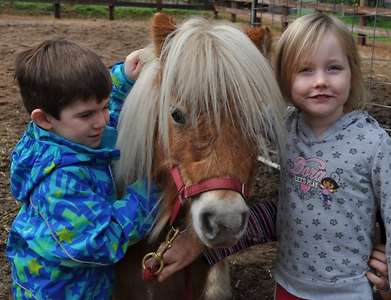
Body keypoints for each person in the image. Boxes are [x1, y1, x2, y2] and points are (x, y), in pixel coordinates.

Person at [156, 12, 391, 299]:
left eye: (333, 68)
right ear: (283, 78)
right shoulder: (284, 129)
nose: (320, 81)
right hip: (288, 286)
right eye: (305, 70)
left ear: (352, 72)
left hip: (350, 290)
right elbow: (288, 212)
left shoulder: (374, 143)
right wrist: (196, 245)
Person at [6, 39, 159, 299]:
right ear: (44, 119)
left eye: (104, 107)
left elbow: (94, 106)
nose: (102, 121)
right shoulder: (61, 182)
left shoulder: (60, 135)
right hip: (65, 292)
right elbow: (102, 242)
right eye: (87, 115)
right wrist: (148, 193)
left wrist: (123, 78)